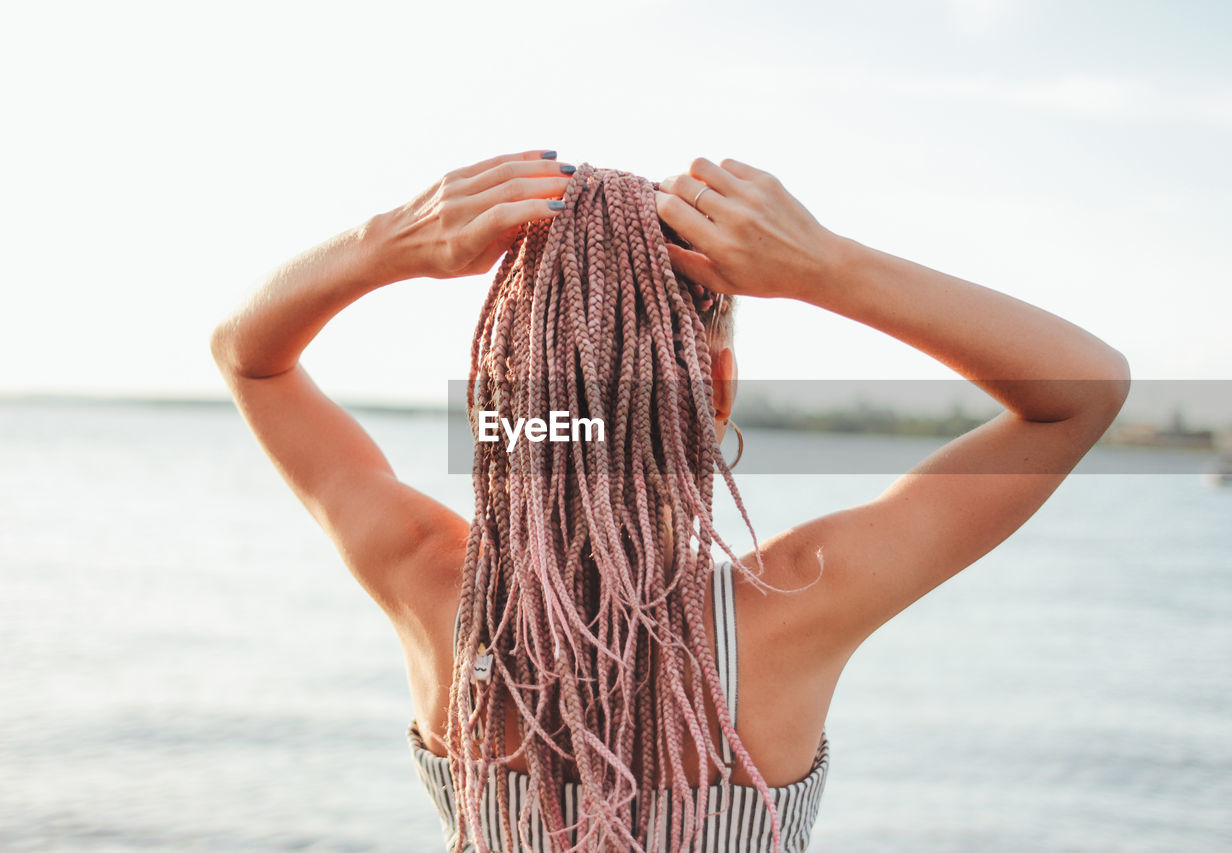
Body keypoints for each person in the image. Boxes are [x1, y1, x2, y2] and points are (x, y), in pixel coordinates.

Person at [211, 150, 1129, 852]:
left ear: (495, 390)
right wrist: (826, 266)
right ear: (716, 388)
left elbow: (248, 357)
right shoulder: (796, 604)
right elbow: (1081, 393)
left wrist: (388, 240)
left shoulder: (428, 581)